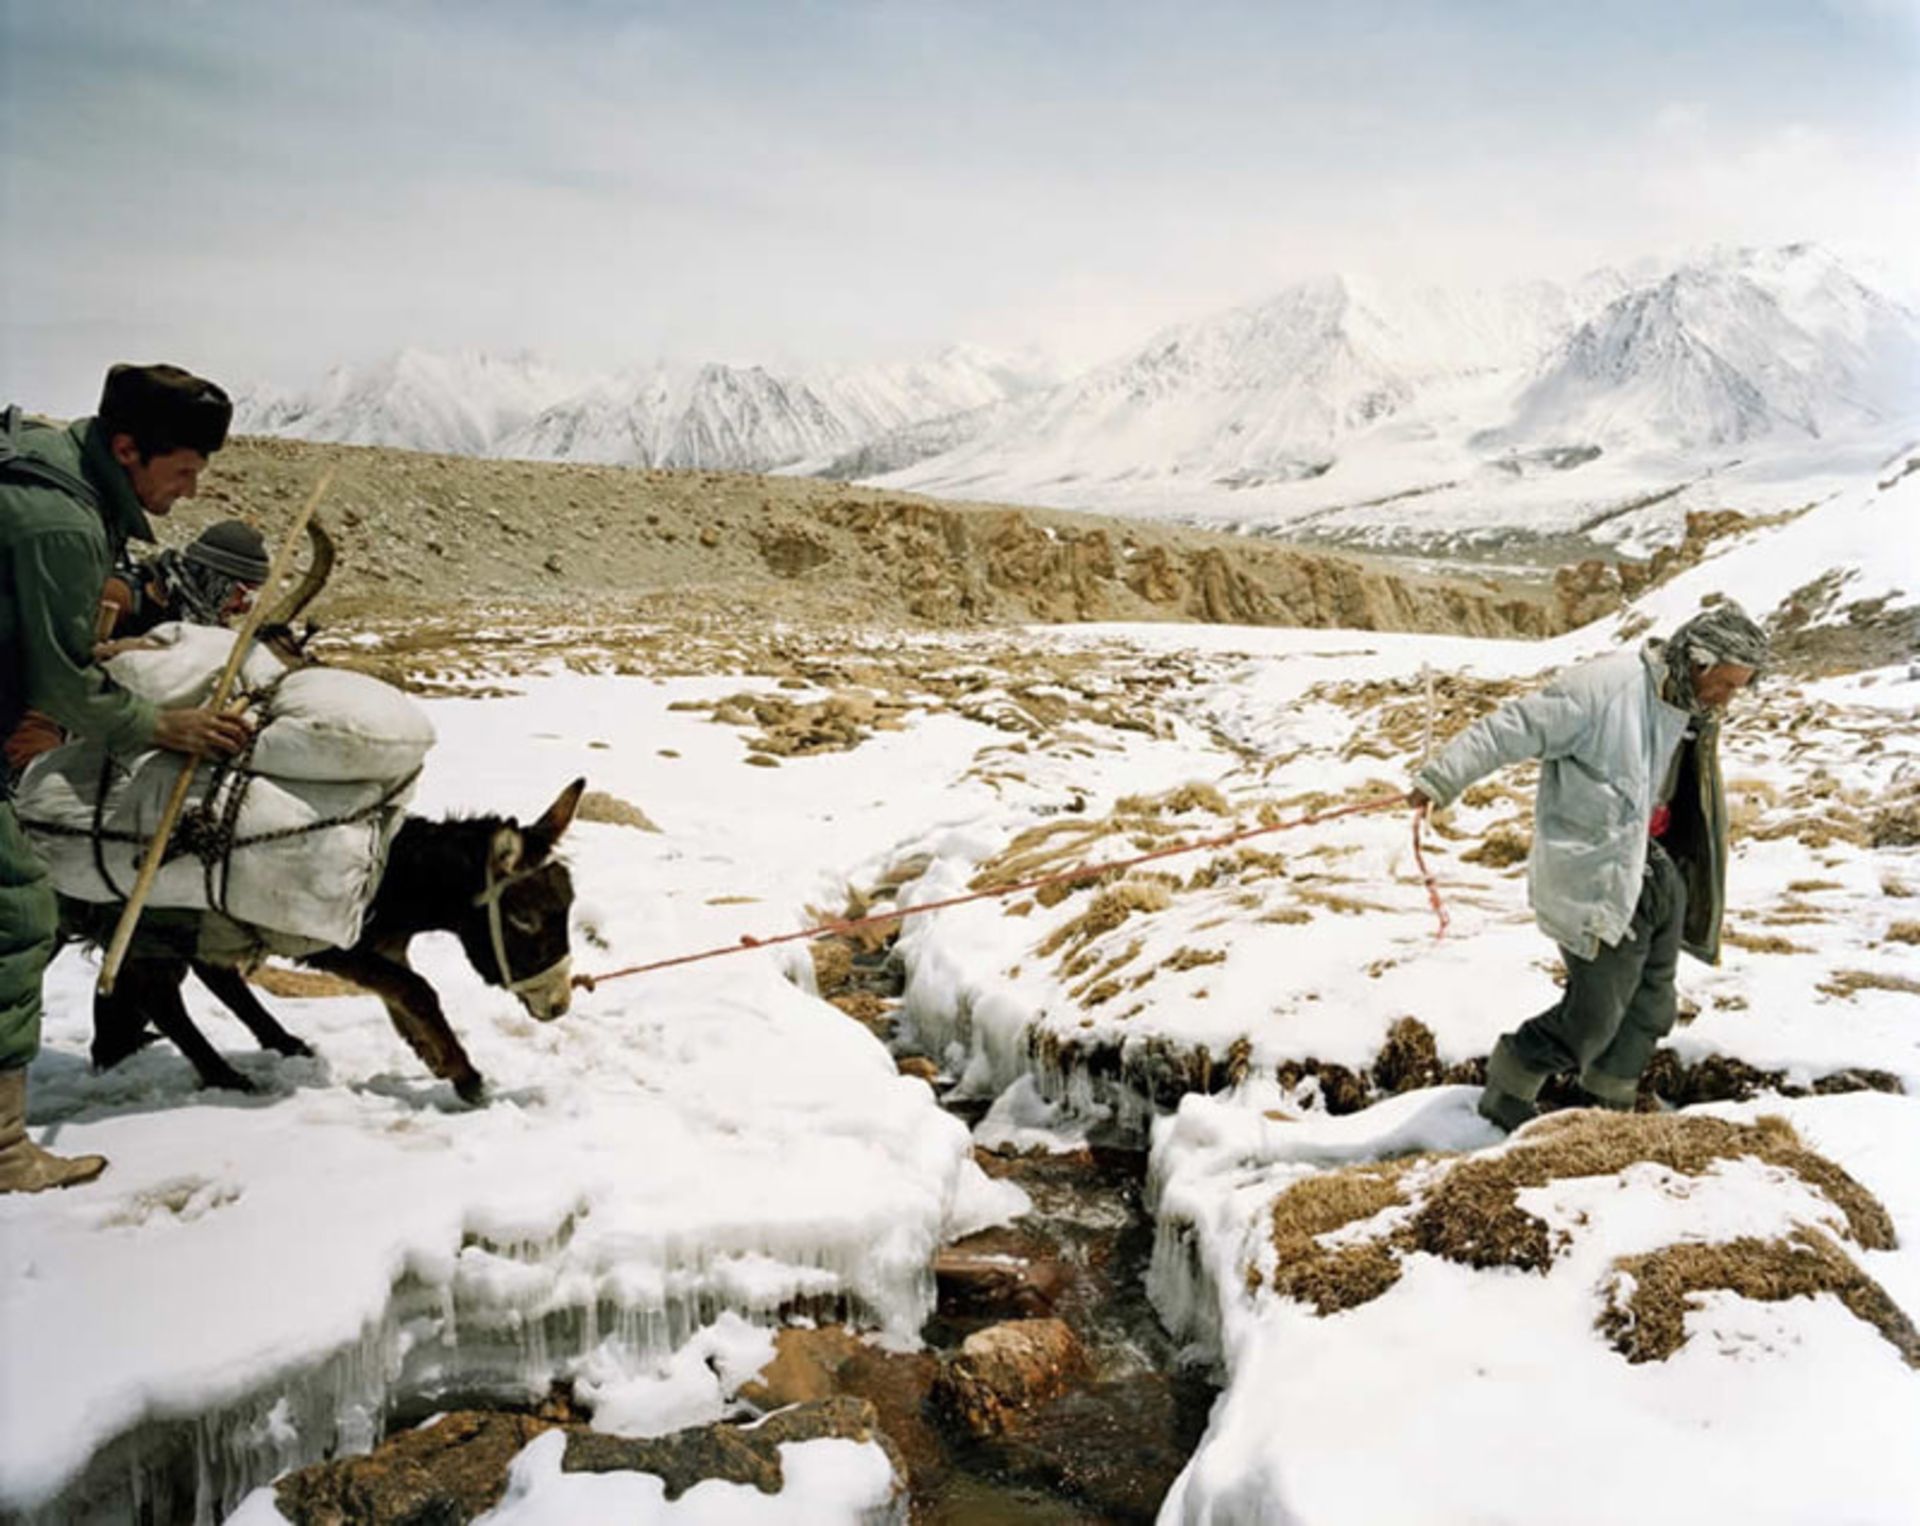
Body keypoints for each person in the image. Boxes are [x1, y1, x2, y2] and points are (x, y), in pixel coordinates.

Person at [0, 363, 253, 1192]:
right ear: (127, 448)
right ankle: (4, 1151)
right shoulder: (62, 525)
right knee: (17, 908)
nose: (187, 492)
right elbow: (59, 683)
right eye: (180, 471)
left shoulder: (52, 463)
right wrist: (161, 723)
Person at [1406, 604, 1770, 1132]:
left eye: (1742, 687)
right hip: (1598, 876)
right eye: (1729, 684)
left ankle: (1605, 1111)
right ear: (1698, 660)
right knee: (1592, 1018)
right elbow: (1511, 727)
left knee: (1651, 1007)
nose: (1730, 698)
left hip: (1655, 871)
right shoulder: (1605, 688)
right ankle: (1508, 1086)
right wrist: (1439, 779)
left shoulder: (1691, 704)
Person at [3, 519, 270, 774]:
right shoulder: (120, 598)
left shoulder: (204, 625)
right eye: (243, 592)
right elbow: (46, 674)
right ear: (214, 579)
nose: (243, 607)